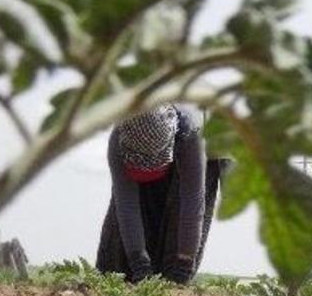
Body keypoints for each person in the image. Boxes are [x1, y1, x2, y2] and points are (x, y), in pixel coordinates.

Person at [95, 104, 223, 284]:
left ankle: (174, 280)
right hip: (151, 144)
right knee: (118, 260)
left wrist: (184, 265)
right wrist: (139, 262)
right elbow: (127, 204)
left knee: (174, 254)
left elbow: (193, 203)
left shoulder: (191, 134)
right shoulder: (119, 138)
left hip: (199, 147)